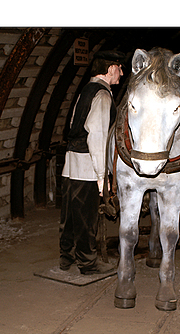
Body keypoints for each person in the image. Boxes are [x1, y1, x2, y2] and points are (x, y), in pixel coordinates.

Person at [59, 50, 125, 275]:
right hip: (87, 165)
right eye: (120, 67)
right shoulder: (103, 96)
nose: (122, 73)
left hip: (72, 163)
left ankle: (65, 258)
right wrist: (101, 177)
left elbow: (73, 125)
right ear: (110, 68)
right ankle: (87, 264)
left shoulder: (86, 90)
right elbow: (96, 136)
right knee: (86, 219)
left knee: (70, 216)